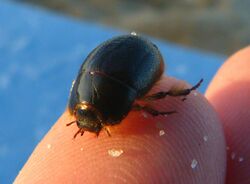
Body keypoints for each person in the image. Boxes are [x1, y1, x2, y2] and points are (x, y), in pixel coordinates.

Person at [14, 47, 250, 184]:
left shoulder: (115, 101)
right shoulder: (87, 98)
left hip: (140, 57)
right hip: (123, 62)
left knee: (146, 102)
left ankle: (180, 95)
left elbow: (143, 104)